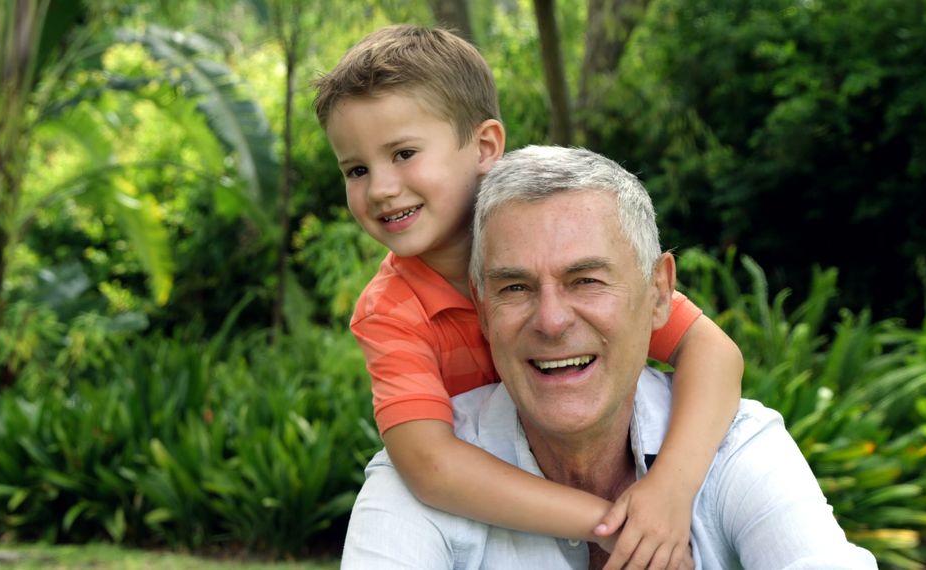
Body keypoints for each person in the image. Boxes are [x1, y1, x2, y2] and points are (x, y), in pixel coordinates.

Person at [313, 25, 744, 568]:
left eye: (403, 153)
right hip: (499, 528)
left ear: (485, 146)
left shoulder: (562, 247)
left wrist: (669, 491)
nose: (380, 187)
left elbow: (714, 352)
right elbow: (430, 465)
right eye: (356, 169)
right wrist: (610, 522)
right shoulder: (392, 311)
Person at [342, 145, 880, 569]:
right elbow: (431, 468)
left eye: (587, 280)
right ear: (481, 309)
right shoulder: (411, 482)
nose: (552, 321)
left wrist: (670, 487)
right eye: (515, 288)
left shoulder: (735, 448)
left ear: (658, 293)